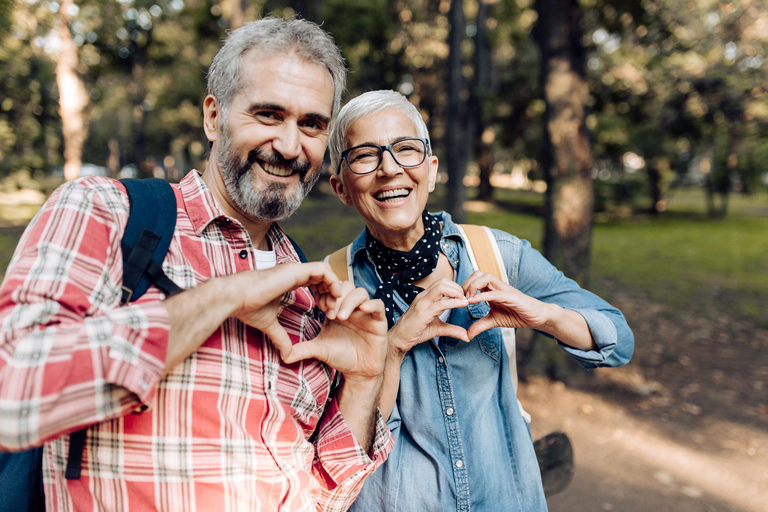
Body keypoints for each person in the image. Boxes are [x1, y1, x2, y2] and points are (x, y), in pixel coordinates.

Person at [0, 18, 394, 512]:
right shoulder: (105, 211)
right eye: (269, 114)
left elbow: (321, 498)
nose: (292, 146)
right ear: (214, 117)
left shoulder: (311, 290)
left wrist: (361, 380)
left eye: (312, 124)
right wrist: (225, 295)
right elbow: (13, 396)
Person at [326, 90, 635, 511]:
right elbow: (342, 448)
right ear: (341, 187)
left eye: (406, 150)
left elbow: (617, 339)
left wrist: (545, 316)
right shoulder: (332, 289)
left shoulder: (498, 254)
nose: (389, 168)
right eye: (365, 156)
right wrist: (394, 346)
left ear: (431, 172)